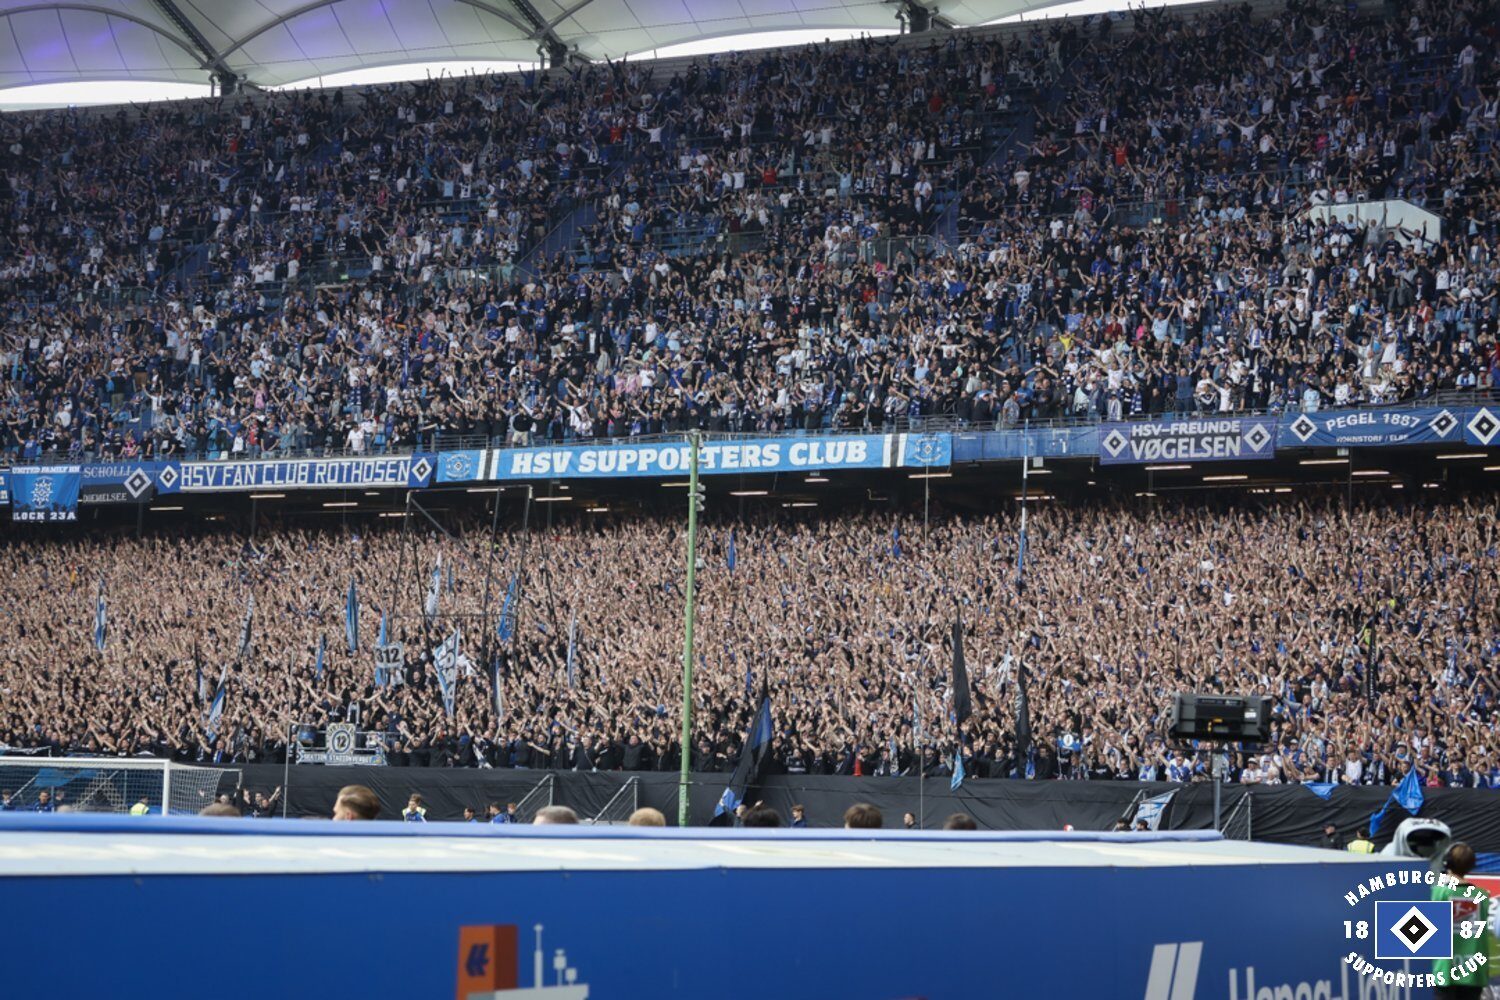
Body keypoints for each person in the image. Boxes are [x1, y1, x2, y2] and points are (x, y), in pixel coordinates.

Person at [1432, 843, 1492, 1000]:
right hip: (1473, 973)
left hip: (1444, 972)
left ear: (1447, 863)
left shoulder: (1438, 893)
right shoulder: (1483, 896)